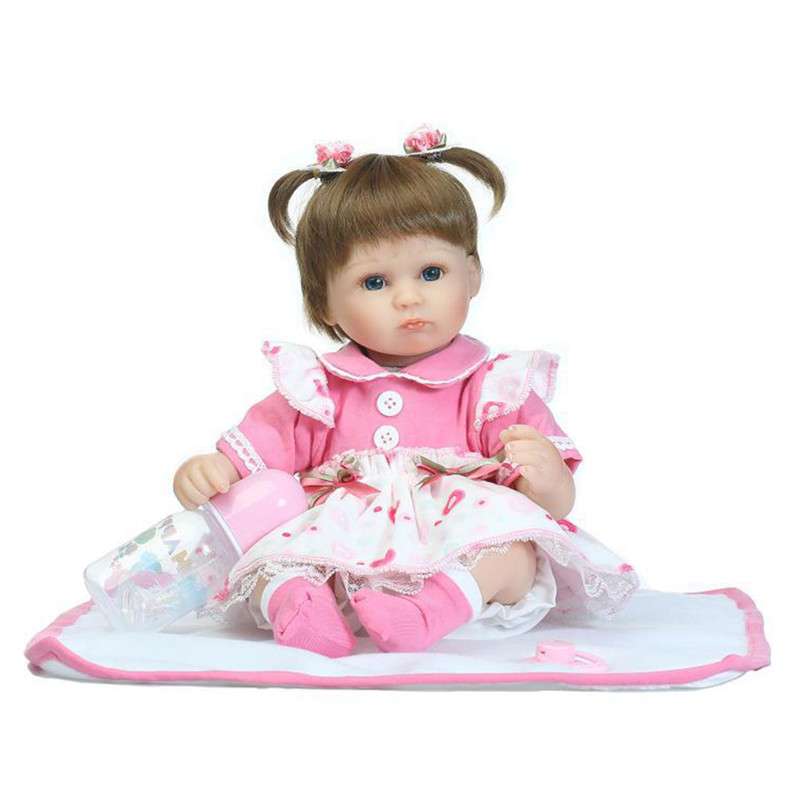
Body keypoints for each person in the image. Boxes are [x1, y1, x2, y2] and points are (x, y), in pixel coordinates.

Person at [174, 125, 639, 658]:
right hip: (341, 546)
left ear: (472, 275)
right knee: (269, 556)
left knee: (515, 553)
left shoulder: (492, 385)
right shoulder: (317, 389)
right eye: (375, 282)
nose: (408, 298)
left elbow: (552, 504)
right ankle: (299, 604)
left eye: (431, 272)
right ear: (324, 303)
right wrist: (209, 470)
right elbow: (258, 453)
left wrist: (548, 477)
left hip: (452, 545)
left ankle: (428, 610)